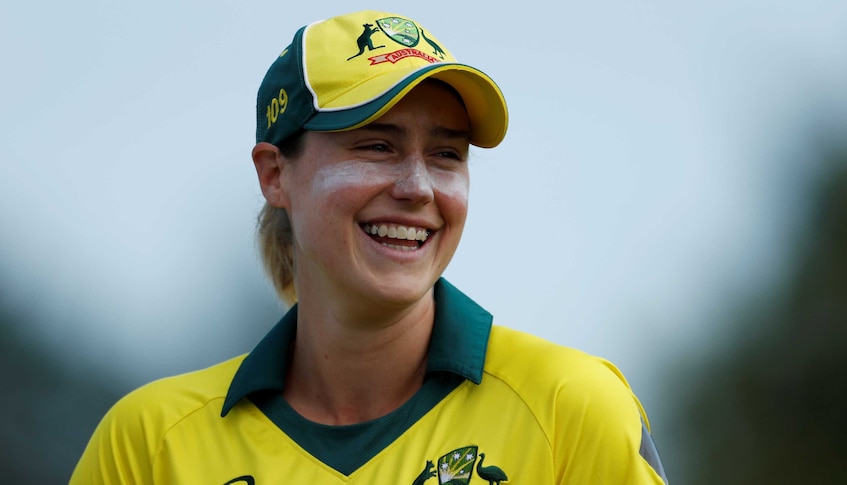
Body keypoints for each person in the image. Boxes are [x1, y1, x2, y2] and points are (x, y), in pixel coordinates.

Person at [71, 10, 668, 484]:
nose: (417, 188)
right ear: (275, 175)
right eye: (376, 146)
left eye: (446, 154)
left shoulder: (572, 408)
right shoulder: (149, 444)